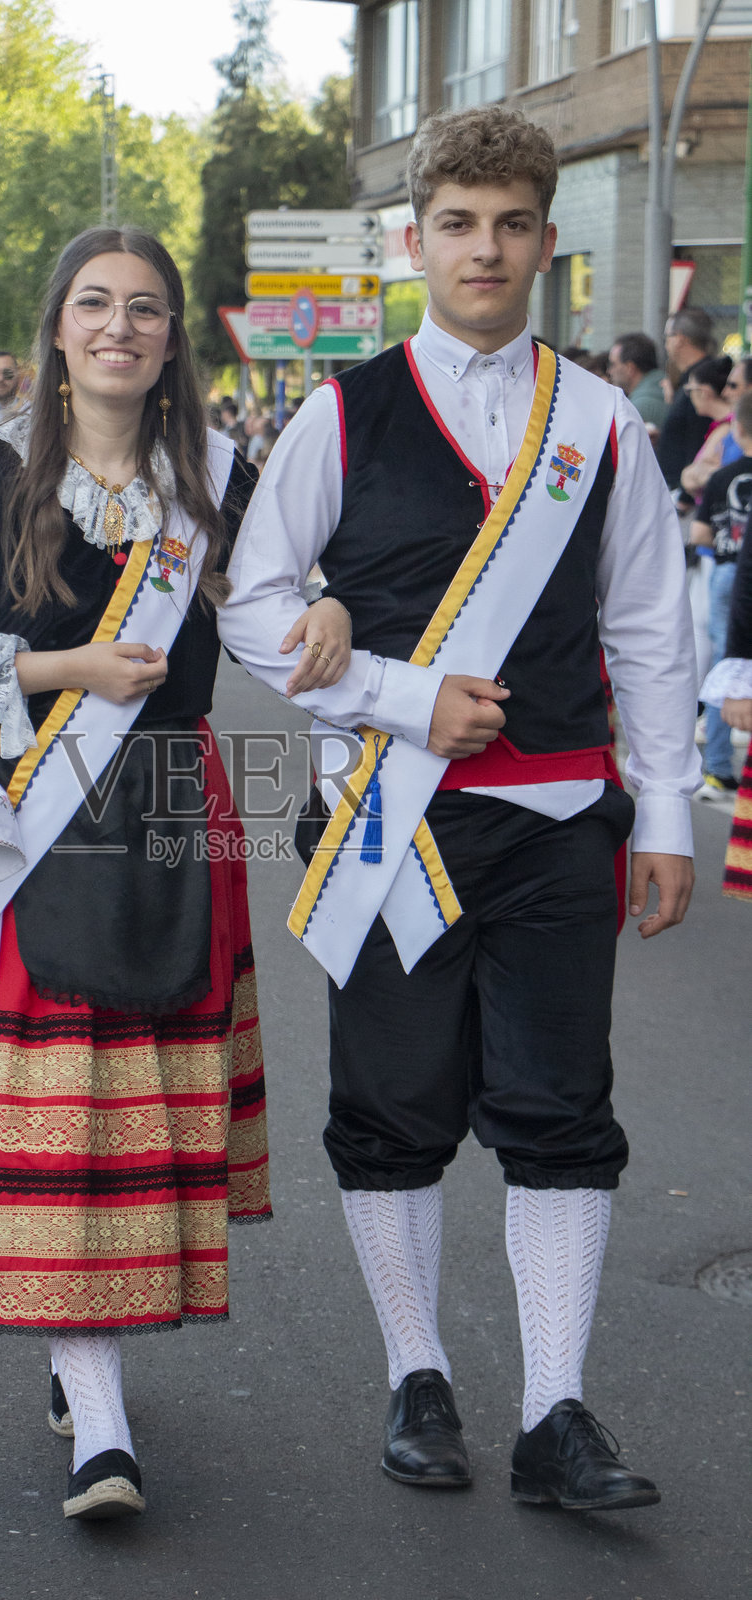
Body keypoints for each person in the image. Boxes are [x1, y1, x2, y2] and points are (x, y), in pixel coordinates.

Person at [218, 104, 700, 1514]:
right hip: (385, 819)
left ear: (545, 245)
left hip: (556, 816)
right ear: (409, 240)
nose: (480, 248)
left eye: (506, 226)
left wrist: (664, 814)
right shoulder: (336, 413)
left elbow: (650, 631)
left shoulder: (600, 422)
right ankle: (415, 1374)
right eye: (454, 224)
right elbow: (250, 598)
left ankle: (552, 1408)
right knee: (391, 1106)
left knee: (557, 1110)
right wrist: (384, 692)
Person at [0, 226, 350, 1524]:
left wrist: (334, 612)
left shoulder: (216, 484)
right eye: (94, 304)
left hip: (165, 822)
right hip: (25, 820)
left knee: (125, 1120)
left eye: (144, 308)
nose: (118, 326)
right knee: (64, 1120)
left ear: (171, 336)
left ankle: (80, 1364)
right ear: (57, 328)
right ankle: (105, 1426)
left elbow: (276, 616)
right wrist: (56, 670)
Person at [689, 390, 752, 798]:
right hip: (739, 577)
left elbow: (699, 535)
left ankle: (715, 765)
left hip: (729, 571)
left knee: (726, 663)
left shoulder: (721, 477)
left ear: (739, 428)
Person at [657, 307, 716, 495]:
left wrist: (686, 495)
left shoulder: (701, 381)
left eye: (667, 337)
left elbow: (699, 436)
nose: (666, 344)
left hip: (687, 494)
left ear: (680, 339)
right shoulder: (690, 380)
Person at [679, 356, 733, 501]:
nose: (689, 397)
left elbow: (693, 479)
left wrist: (696, 473)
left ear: (704, 392)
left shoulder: (729, 428)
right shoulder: (723, 426)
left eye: (689, 390)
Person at [607, 333, 668, 434]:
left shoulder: (639, 407)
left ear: (630, 368)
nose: (609, 371)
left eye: (613, 364)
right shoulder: (665, 387)